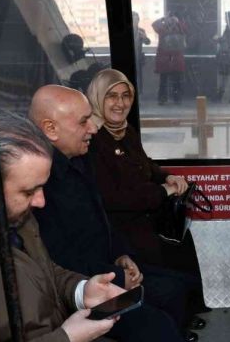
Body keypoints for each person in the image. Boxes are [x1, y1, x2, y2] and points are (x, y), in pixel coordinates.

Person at [0, 111, 183, 342]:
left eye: (41, 188)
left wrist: (82, 290)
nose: (40, 202)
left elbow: (48, 271)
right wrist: (68, 337)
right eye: (28, 191)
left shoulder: (17, 217)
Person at [28, 85, 198, 342]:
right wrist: (118, 277)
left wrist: (121, 255)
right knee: (160, 326)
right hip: (84, 286)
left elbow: (101, 218)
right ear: (50, 129)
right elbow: (59, 261)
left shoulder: (79, 160)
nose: (94, 129)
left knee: (178, 286)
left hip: (107, 265)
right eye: (84, 122)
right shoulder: (41, 184)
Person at [86, 68, 210, 326]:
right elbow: (113, 198)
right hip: (122, 226)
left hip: (146, 214)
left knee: (183, 242)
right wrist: (162, 192)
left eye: (125, 96)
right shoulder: (93, 141)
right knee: (163, 255)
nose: (120, 103)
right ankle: (173, 321)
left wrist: (166, 177)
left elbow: (145, 164)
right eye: (111, 96)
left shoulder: (125, 131)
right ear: (97, 98)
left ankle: (186, 312)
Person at [152, 12, 187, 105]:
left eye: (173, 19)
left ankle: (176, 99)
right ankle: (163, 99)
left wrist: (177, 21)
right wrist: (164, 18)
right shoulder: (163, 28)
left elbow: (186, 29)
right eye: (170, 19)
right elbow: (154, 24)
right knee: (164, 81)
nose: (172, 21)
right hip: (165, 59)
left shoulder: (179, 28)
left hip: (174, 59)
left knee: (176, 81)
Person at [132, 12, 151, 95]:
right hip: (129, 58)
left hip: (138, 57)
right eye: (133, 19)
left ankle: (138, 93)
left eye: (136, 19)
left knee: (139, 76)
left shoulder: (141, 31)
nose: (135, 21)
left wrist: (144, 37)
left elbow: (148, 42)